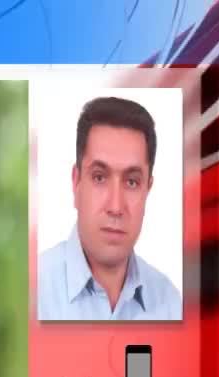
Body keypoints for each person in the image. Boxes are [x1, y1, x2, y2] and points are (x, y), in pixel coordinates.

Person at [38, 96, 181, 321]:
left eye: (132, 182)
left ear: (148, 189)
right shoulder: (33, 293)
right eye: (99, 177)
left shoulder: (170, 304)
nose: (115, 207)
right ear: (76, 183)